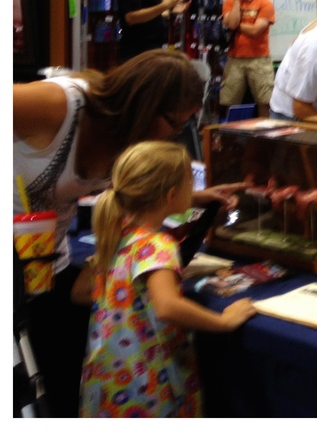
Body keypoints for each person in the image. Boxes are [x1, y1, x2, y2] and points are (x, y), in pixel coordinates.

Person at [12, 49, 246, 417]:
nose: (177, 134)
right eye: (175, 122)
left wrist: (191, 197)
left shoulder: (126, 145)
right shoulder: (60, 105)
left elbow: (132, 191)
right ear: (147, 107)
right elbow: (167, 306)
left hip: (41, 268)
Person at [79, 141, 256, 417]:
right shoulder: (158, 244)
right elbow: (167, 306)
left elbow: (79, 291)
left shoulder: (116, 227)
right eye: (190, 184)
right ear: (171, 194)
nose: (194, 189)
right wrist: (223, 322)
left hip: (110, 380)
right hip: (149, 385)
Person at [219, 0, 276, 117]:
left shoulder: (265, 3)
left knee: (265, 101)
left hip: (259, 59)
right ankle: (229, 137)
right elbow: (231, 24)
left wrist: (236, 25)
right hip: (235, 58)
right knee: (230, 101)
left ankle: (265, 136)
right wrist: (237, 0)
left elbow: (255, 31)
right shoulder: (230, 2)